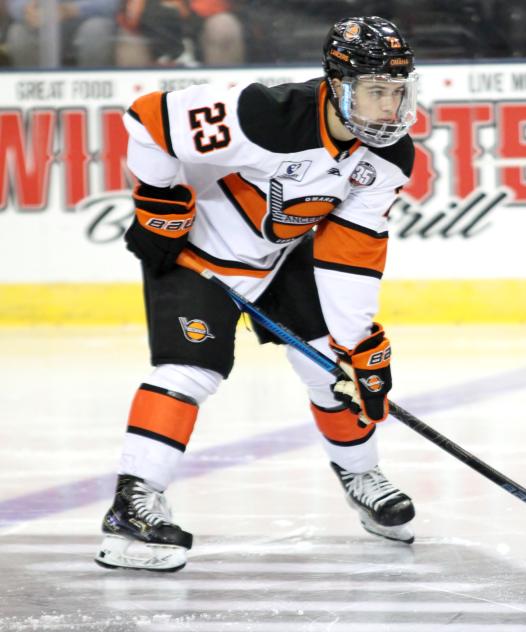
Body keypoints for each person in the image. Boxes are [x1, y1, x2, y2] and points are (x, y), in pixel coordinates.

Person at [95, 15, 419, 572]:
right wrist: (160, 200)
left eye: (396, 92)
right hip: (196, 255)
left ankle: (360, 472)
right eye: (374, 92)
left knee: (331, 368)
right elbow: (149, 119)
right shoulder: (264, 115)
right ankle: (133, 505)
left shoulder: (387, 157)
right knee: (193, 372)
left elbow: (350, 254)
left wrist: (359, 343)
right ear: (338, 86)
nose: (389, 109)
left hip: (282, 256)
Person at [116, 0, 244, 67]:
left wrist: (183, 7)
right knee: (128, 39)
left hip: (197, 34)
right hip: (149, 37)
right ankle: (137, 102)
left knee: (223, 25)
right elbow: (128, 19)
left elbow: (216, 7)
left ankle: (222, 93)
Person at [6, 0, 116, 67]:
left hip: (86, 21)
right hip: (42, 24)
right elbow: (14, 4)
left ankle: (93, 90)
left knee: (95, 29)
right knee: (18, 32)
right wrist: (26, 10)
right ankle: (33, 93)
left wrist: (71, 10)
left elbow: (112, 4)